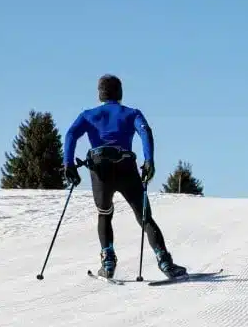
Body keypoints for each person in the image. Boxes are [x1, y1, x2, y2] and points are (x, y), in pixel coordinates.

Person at [62, 74, 187, 280]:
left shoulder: (88, 115)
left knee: (104, 213)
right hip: (126, 166)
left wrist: (68, 164)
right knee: (144, 216)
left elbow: (71, 134)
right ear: (120, 93)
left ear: (99, 94)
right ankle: (165, 262)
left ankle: (108, 263)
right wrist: (149, 161)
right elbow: (145, 131)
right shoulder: (131, 113)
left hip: (100, 170)